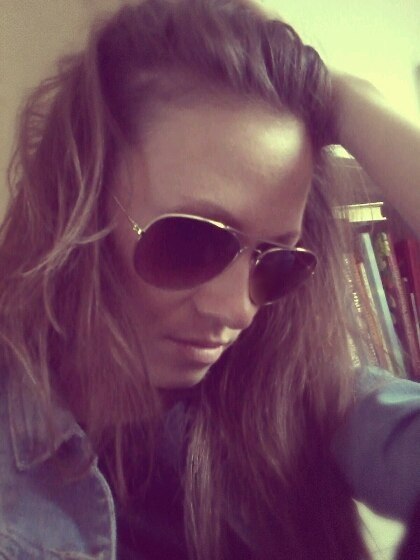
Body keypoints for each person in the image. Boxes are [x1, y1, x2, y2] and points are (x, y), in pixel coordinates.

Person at [0, 0, 419, 558]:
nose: (238, 310)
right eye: (192, 241)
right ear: (78, 208)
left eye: (277, 260)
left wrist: (348, 100)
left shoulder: (306, 398)